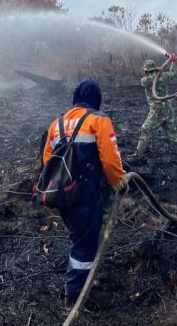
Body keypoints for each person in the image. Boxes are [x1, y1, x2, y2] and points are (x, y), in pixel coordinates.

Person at [41, 79, 131, 304]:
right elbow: (111, 160)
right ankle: (76, 293)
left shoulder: (57, 123)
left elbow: (46, 161)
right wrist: (120, 183)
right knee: (85, 242)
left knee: (79, 237)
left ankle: (81, 280)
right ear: (96, 100)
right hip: (85, 195)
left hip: (62, 194)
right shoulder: (98, 120)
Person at [136, 56, 177, 157]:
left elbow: (143, 82)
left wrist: (158, 70)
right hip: (167, 109)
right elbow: (173, 73)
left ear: (146, 70)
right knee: (173, 133)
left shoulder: (147, 80)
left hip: (157, 111)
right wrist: (173, 63)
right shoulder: (164, 76)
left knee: (145, 130)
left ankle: (137, 155)